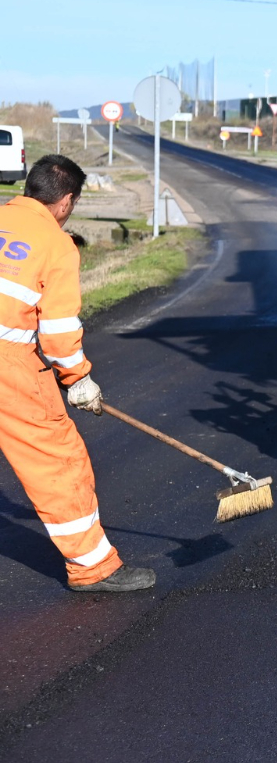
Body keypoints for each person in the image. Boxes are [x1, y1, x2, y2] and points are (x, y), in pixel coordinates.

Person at [0, 155, 154, 592]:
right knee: (58, 462)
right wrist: (77, 379)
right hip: (6, 365)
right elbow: (59, 328)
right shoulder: (55, 243)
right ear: (66, 201)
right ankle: (93, 568)